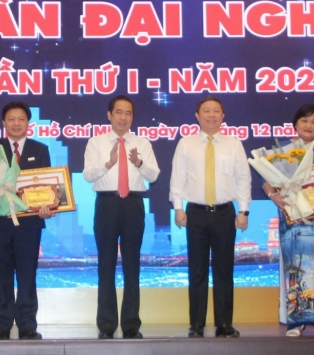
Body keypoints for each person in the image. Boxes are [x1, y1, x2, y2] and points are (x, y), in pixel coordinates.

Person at [170, 95, 251, 338]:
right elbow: (178, 178)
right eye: (206, 111)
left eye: (216, 111)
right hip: (195, 212)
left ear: (223, 116)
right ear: (197, 116)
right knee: (197, 271)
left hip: (225, 213)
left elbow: (243, 178)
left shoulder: (233, 144)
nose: (211, 115)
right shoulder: (186, 143)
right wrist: (178, 208)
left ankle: (224, 324)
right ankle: (196, 325)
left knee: (224, 271)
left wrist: (243, 211)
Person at [262, 105, 314, 337]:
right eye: (305, 121)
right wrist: (273, 195)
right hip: (293, 219)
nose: (309, 126)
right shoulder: (283, 151)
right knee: (294, 267)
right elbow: (266, 180)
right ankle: (295, 322)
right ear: (296, 124)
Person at [83, 95, 160, 339]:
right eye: (118, 112)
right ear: (109, 115)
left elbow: (154, 175)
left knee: (132, 265)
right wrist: (108, 164)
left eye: (128, 113)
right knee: (105, 264)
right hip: (106, 203)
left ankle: (131, 325)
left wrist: (138, 162)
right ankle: (106, 325)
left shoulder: (142, 142)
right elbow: (87, 175)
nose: (123, 117)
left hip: (133, 204)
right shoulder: (96, 142)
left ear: (132, 117)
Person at [0, 101, 52, 340]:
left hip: (29, 225)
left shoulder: (40, 150)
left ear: (28, 123)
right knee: (0, 274)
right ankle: (1, 326)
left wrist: (47, 206)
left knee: (27, 274)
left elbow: (47, 186)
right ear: (3, 122)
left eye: (21, 119)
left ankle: (27, 326)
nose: (16, 123)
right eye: (11, 119)